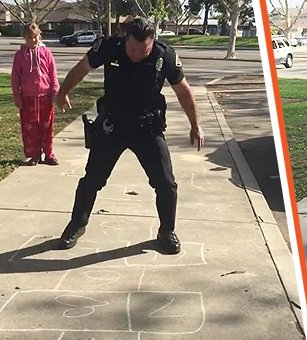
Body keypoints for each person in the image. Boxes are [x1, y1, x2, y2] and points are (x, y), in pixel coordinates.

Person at [54, 18, 204, 254]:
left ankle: (167, 231)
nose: (136, 54)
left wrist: (195, 125)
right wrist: (63, 91)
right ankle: (76, 225)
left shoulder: (164, 56)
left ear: (152, 42)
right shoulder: (109, 47)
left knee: (166, 184)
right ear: (126, 39)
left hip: (147, 128)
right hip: (112, 126)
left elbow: (183, 90)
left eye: (143, 50)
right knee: (92, 180)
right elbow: (82, 68)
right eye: (132, 48)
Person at [10, 22, 59, 166]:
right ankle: (34, 154)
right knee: (30, 128)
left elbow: (53, 75)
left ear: (39, 36)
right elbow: (15, 78)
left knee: (46, 126)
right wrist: (17, 96)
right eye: (29, 38)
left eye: (35, 37)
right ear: (24, 37)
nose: (33, 40)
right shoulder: (20, 56)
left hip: (45, 96)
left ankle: (49, 154)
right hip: (27, 98)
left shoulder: (47, 53)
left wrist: (55, 92)